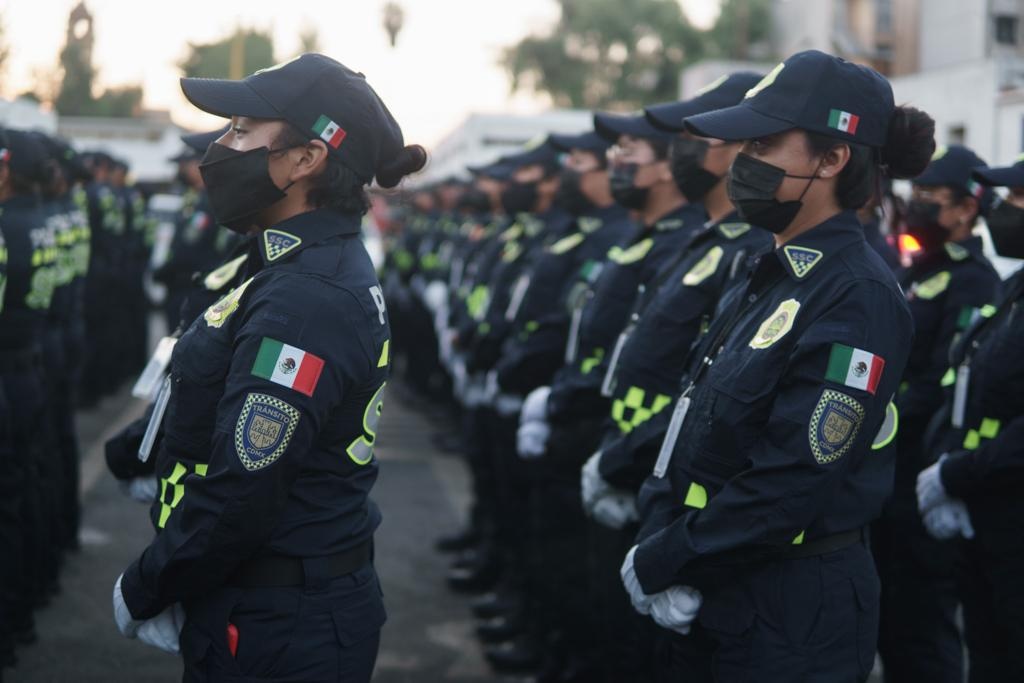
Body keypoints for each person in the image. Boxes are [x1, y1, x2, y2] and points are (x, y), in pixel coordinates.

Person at [111, 53, 425, 682]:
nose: (220, 148)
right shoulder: (283, 264)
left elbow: (244, 487)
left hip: (278, 624)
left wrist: (151, 582)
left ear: (307, 159)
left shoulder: (307, 295)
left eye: (241, 131)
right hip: (261, 604)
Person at [624, 50, 934, 682]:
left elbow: (794, 476)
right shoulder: (768, 273)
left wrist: (671, 556)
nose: (743, 163)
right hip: (720, 587)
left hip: (790, 616)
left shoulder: (858, 296)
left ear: (832, 158)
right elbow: (700, 420)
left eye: (764, 143)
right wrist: (663, 533)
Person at [577, 71, 771, 682]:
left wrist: (632, 464)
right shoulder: (706, 242)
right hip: (648, 470)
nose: (682, 147)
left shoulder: (748, 250)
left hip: (680, 489)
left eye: (696, 134)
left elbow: (712, 396)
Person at [874, 144, 1000, 683]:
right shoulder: (915, 271)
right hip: (886, 476)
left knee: (922, 632)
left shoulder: (972, 279)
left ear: (966, 208)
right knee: (891, 623)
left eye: (931, 196)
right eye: (915, 192)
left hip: (918, 469)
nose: (917, 204)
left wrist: (877, 418)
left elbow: (947, 383)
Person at [913, 156, 1024, 682]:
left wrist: (954, 474)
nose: (1003, 209)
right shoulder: (1015, 290)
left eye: (1019, 198)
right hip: (988, 519)